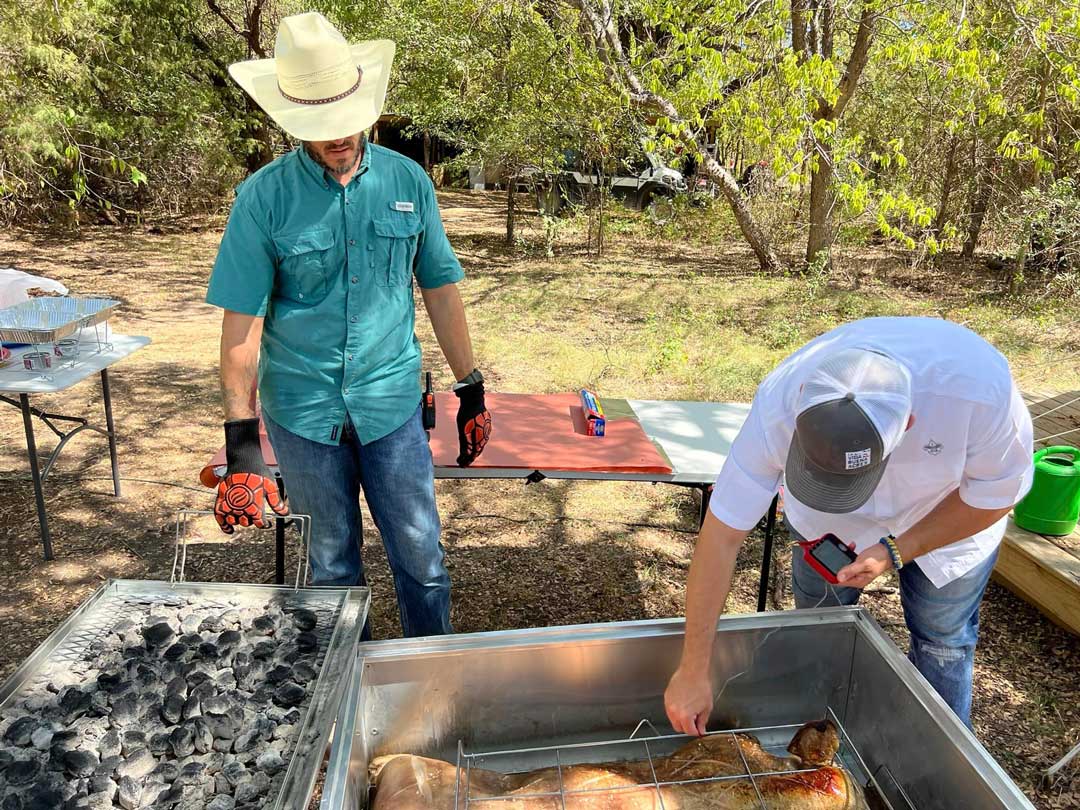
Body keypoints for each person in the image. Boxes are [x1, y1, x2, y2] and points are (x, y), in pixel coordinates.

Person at [204, 12, 491, 637]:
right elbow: (240, 330)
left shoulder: (407, 180)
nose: (339, 136)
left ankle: (431, 689)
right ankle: (349, 695)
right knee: (332, 569)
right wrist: (241, 441)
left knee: (423, 561)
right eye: (321, 125)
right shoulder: (262, 198)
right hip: (303, 414)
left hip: (391, 406)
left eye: (346, 120)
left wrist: (469, 387)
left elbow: (440, 289)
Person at [664, 317, 1033, 731]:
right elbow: (720, 537)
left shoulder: (977, 392)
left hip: (948, 520)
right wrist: (693, 669)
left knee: (942, 642)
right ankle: (818, 735)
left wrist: (898, 549)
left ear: (908, 423)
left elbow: (996, 494)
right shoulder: (780, 401)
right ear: (802, 400)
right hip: (827, 528)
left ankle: (932, 771)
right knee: (818, 631)